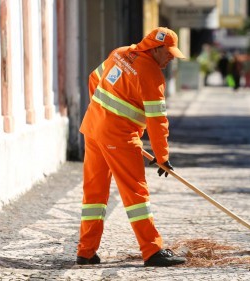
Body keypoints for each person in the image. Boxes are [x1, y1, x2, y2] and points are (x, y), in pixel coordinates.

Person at [76, 27, 187, 267]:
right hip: (119, 138)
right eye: (167, 53)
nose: (170, 58)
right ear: (155, 48)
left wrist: (102, 113)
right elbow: (158, 121)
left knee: (94, 194)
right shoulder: (151, 74)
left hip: (93, 128)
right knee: (136, 194)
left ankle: (85, 252)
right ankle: (152, 250)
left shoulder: (120, 53)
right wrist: (162, 156)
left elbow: (93, 78)